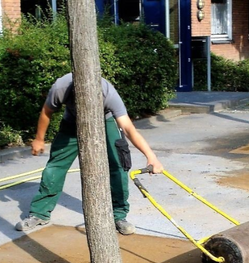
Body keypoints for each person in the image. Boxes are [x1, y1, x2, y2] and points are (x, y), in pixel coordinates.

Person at [15, 73, 164, 235]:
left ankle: (118, 215)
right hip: (71, 123)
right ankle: (39, 214)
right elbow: (46, 112)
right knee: (55, 167)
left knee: (119, 166)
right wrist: (39, 139)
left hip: (104, 122)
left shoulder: (108, 93)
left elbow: (128, 128)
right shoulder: (61, 87)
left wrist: (151, 156)